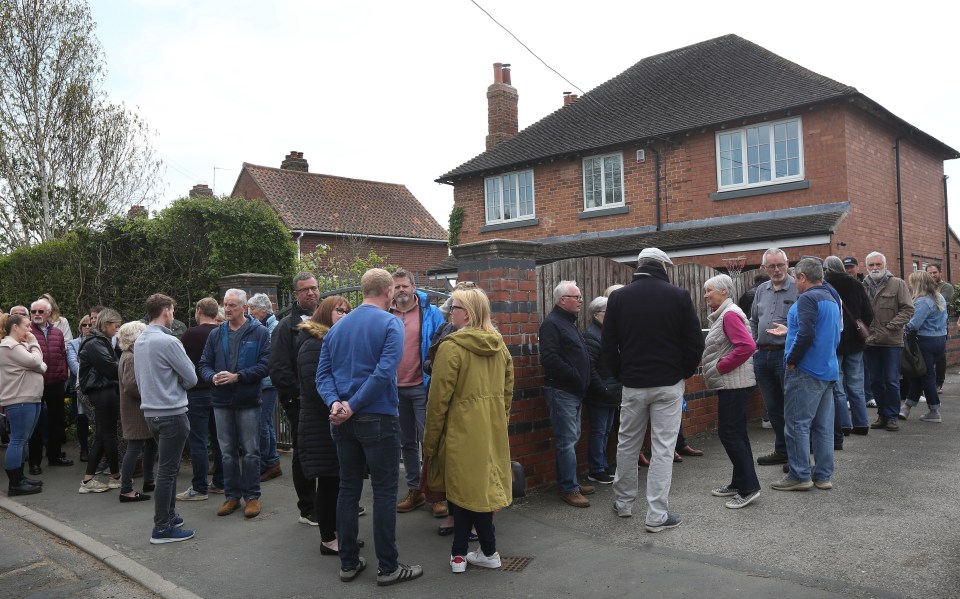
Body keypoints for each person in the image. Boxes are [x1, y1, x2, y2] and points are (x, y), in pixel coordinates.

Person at [317, 268, 423, 586]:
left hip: (342, 420)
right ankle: (388, 567)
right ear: (388, 291)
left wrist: (337, 404)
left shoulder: (336, 328)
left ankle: (349, 562)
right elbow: (384, 372)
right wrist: (352, 405)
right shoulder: (391, 322)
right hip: (377, 417)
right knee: (385, 492)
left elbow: (322, 375)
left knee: (348, 489)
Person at [602, 247, 704, 530]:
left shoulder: (618, 298)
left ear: (639, 266)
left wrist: (621, 374)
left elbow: (608, 345)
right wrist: (681, 373)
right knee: (662, 448)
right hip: (668, 383)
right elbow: (695, 343)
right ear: (662, 265)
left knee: (627, 444)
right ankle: (657, 515)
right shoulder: (679, 296)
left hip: (633, 384)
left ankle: (623, 504)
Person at [423, 284, 513, 573]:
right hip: (491, 430)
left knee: (463, 492)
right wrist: (498, 422)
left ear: (468, 313)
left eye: (455, 308)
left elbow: (437, 402)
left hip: (459, 431)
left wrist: (430, 443)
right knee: (476, 492)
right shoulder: (499, 346)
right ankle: (476, 553)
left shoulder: (451, 348)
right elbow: (507, 394)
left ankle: (465, 555)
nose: (450, 313)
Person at [767, 258, 841, 491]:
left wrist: (792, 360)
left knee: (797, 424)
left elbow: (807, 334)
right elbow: (830, 333)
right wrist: (791, 331)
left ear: (801, 277)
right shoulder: (831, 297)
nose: (794, 282)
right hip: (827, 369)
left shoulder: (808, 298)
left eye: (795, 277)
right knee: (823, 427)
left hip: (806, 371)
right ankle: (823, 475)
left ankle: (799, 475)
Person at [199, 289, 271, 519]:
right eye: (225, 305)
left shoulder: (259, 332)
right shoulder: (216, 334)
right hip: (221, 400)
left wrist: (238, 376)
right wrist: (212, 377)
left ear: (244, 308)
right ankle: (231, 496)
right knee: (227, 451)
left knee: (250, 451)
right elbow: (204, 363)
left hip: (248, 399)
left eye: (232, 305)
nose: (227, 309)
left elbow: (266, 365)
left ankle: (252, 497)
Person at [135, 293, 198, 544]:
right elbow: (191, 378)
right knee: (167, 471)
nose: (173, 315)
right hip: (171, 411)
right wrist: (178, 383)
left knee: (166, 469)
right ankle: (162, 527)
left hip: (151, 412)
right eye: (172, 310)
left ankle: (169, 517)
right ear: (166, 312)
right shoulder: (169, 341)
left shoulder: (139, 340)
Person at [296, 295, 351, 555]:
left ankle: (338, 533)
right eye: (339, 310)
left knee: (338, 482)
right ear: (326, 312)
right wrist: (337, 410)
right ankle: (328, 539)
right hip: (321, 424)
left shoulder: (334, 341)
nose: (344, 314)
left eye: (347, 311)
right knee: (329, 483)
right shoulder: (314, 345)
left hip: (333, 421)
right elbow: (314, 388)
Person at [389, 269, 445, 516]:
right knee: (407, 443)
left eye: (404, 285)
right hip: (394, 389)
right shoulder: (384, 313)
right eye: (396, 286)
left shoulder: (430, 313)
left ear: (414, 287)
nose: (401, 290)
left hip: (423, 387)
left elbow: (443, 346)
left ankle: (437, 494)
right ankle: (416, 490)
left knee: (429, 441)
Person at [701, 274, 760, 509]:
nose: (706, 295)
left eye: (709, 290)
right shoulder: (725, 314)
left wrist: (721, 366)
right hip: (732, 384)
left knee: (730, 434)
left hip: (733, 384)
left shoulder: (730, 314)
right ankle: (739, 482)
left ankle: (749, 488)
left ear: (724, 291)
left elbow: (747, 345)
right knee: (736, 433)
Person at [268, 272, 321, 524]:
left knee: (329, 451)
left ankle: (330, 502)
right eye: (305, 289)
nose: (311, 293)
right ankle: (308, 508)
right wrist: (297, 394)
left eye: (314, 288)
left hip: (326, 399)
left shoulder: (328, 318)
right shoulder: (284, 327)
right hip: (300, 401)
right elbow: (278, 367)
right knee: (304, 453)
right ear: (296, 295)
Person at [539, 280, 594, 508]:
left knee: (572, 439)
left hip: (574, 392)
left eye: (580, 297)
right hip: (562, 391)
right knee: (566, 441)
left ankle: (570, 481)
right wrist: (574, 375)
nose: (581, 301)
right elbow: (550, 358)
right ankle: (568, 488)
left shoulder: (568, 323)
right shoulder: (552, 324)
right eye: (576, 297)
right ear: (562, 300)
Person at [749, 248, 798, 466]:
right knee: (774, 407)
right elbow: (753, 320)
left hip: (785, 356)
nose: (776, 270)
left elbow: (806, 323)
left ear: (787, 264)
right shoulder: (761, 289)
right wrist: (753, 345)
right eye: (772, 266)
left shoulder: (798, 288)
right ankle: (782, 450)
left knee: (792, 407)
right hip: (762, 355)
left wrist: (789, 333)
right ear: (764, 268)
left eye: (780, 265)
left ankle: (798, 454)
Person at [823, 256, 874, 442]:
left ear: (826, 268)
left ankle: (843, 424)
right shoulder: (856, 285)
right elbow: (869, 313)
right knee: (856, 384)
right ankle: (861, 424)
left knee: (838, 385)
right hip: (855, 343)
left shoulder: (823, 286)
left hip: (833, 342)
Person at [176, 298, 224, 501]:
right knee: (220, 440)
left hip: (196, 392)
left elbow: (180, 362)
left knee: (198, 441)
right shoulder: (224, 332)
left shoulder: (190, 334)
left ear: (198, 311)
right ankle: (221, 482)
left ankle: (199, 487)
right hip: (220, 390)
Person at [863, 252, 914, 431]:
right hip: (871, 342)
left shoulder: (898, 283)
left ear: (885, 265)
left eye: (878, 264)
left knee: (892, 380)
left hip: (892, 341)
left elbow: (908, 309)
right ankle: (882, 415)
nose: (875, 268)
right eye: (871, 265)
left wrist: (892, 326)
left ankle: (892, 416)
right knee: (875, 381)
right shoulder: (863, 286)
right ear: (866, 267)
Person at [77, 308, 123, 493]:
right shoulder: (96, 342)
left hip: (102, 390)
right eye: (116, 326)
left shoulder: (98, 341)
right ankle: (115, 477)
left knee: (102, 435)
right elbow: (112, 369)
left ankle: (89, 480)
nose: (118, 330)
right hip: (102, 391)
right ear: (106, 325)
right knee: (108, 435)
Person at [1, 313, 46, 496]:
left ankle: (20, 477)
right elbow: (36, 361)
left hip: (31, 397)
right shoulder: (8, 346)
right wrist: (34, 342)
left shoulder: (20, 346)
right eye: (27, 326)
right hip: (19, 399)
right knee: (18, 440)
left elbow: (42, 365)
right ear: (15, 327)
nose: (30, 330)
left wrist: (36, 361)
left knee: (23, 439)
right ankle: (15, 483)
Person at [27, 297, 72, 472]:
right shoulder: (26, 332)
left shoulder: (58, 333)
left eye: (40, 311)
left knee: (57, 421)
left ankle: (54, 456)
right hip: (35, 384)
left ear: (49, 313)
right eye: (33, 312)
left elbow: (62, 355)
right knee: (36, 424)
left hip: (55, 382)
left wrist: (62, 373)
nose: (37, 314)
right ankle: (35, 462)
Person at [900, 270, 947, 423]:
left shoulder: (922, 301)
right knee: (918, 374)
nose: (910, 285)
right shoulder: (939, 297)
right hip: (939, 340)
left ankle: (934, 410)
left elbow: (913, 325)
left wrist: (899, 326)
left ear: (917, 283)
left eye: (912, 282)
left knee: (926, 375)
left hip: (925, 341)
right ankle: (906, 407)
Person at [582, 296, 621, 485]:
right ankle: (596, 469)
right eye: (608, 312)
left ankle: (603, 465)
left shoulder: (606, 333)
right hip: (600, 393)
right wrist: (603, 388)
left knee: (605, 431)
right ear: (597, 314)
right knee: (598, 431)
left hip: (611, 391)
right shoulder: (592, 336)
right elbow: (590, 367)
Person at [116, 321, 156, 503]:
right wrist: (151, 393)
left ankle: (149, 480)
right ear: (135, 340)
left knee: (150, 445)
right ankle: (126, 489)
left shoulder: (130, 354)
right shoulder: (131, 357)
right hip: (136, 411)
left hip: (139, 410)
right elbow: (131, 386)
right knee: (134, 448)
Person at [248, 293, 282, 482]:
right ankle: (270, 462)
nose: (250, 313)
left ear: (262, 309)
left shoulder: (272, 328)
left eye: (252, 309)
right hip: (263, 382)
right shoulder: (264, 326)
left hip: (268, 382)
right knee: (265, 423)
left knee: (262, 423)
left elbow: (265, 354)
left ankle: (270, 462)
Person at [67, 315, 92, 462]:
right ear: (80, 327)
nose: (88, 328)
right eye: (85, 325)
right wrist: (88, 375)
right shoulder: (73, 343)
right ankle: (84, 449)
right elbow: (73, 364)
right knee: (82, 418)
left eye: (90, 325)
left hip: (97, 386)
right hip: (80, 385)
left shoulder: (101, 341)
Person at [924, 264, 952, 393]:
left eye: (935, 272)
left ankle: (938, 384)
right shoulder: (924, 288)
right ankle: (928, 383)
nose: (932, 275)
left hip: (940, 327)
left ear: (940, 272)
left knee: (940, 357)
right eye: (929, 273)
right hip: (925, 327)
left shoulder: (946, 287)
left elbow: (939, 304)